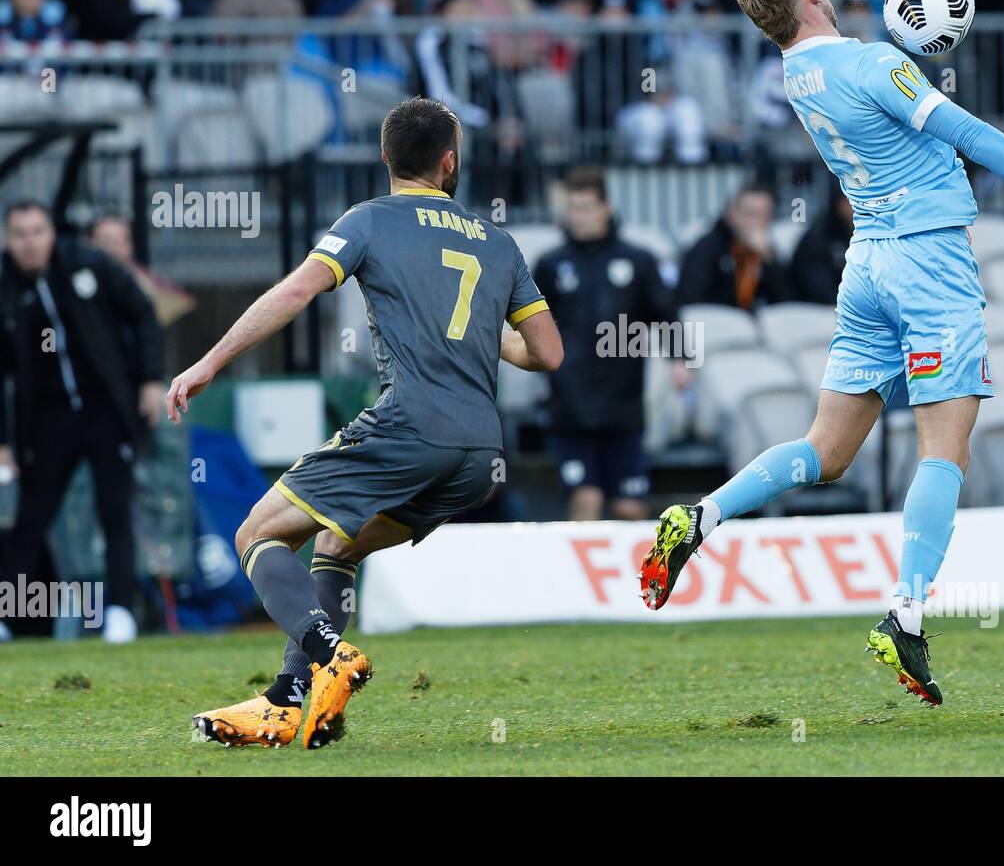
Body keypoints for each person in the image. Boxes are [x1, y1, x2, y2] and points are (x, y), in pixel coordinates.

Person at [641, 0, 1004, 706]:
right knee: (945, 451)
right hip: (929, 262)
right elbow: (969, 134)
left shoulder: (798, 73)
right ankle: (905, 614)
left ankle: (701, 514)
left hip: (868, 265)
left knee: (827, 449)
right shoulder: (871, 64)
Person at [168, 98, 562, 749]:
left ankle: (330, 657)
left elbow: (295, 291)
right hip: (479, 454)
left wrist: (210, 362)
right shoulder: (497, 241)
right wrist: (482, 333)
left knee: (256, 533)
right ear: (449, 161)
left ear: (385, 159)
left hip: (410, 426)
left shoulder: (370, 221)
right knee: (337, 546)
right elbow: (548, 353)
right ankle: (289, 701)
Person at [0, 202, 165, 644]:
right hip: (48, 420)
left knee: (114, 511)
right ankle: (8, 615)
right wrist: (4, 440)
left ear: (51, 233)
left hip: (106, 410)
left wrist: (151, 380)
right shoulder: (7, 289)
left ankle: (119, 613)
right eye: (20, 233)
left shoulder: (88, 264)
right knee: (32, 518)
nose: (30, 242)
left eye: (38, 231)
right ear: (7, 240)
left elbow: (144, 314)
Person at [533, 167, 686, 521]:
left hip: (624, 405)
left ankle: (639, 578)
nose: (578, 217)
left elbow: (666, 313)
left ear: (606, 208)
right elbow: (530, 322)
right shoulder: (551, 265)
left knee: (629, 508)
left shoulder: (638, 260)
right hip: (571, 405)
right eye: (572, 209)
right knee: (585, 500)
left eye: (585, 208)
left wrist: (681, 359)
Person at [676, 184, 792, 310]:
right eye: (749, 214)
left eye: (763, 215)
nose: (755, 222)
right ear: (731, 213)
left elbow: (787, 305)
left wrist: (770, 261)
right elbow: (691, 299)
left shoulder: (767, 251)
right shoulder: (707, 248)